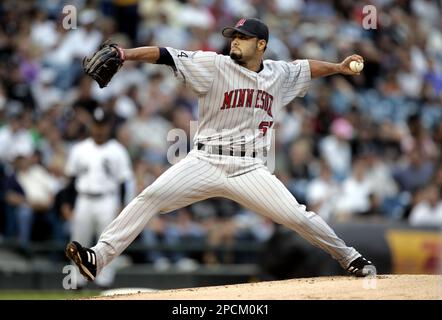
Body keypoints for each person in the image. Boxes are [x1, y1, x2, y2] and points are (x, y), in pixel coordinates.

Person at [66, 18, 376, 282]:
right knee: (150, 197)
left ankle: (351, 258)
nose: (235, 42)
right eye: (233, 36)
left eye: (243, 37)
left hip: (250, 169)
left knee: (297, 216)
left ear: (261, 45)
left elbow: (307, 68)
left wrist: (338, 66)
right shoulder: (213, 65)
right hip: (205, 159)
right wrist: (123, 53)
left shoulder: (278, 74)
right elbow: (165, 55)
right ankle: (98, 257)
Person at [63, 108, 134, 288]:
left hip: (107, 200)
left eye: (102, 126)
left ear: (108, 127)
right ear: (91, 126)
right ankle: (76, 282)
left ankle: (104, 283)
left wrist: (122, 204)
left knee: (108, 243)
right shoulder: (80, 149)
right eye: (96, 125)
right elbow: (71, 180)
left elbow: (124, 181)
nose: (99, 129)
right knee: (78, 240)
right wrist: (67, 203)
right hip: (83, 199)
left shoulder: (117, 150)